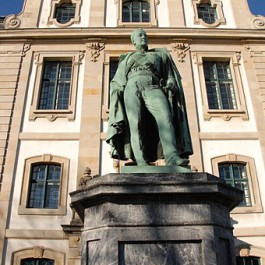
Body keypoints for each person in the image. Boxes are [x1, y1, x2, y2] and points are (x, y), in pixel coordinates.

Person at [107, 28, 193, 166]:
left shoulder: (160, 56)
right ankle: (140, 159)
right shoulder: (126, 58)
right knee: (135, 124)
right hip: (131, 87)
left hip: (153, 86)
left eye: (145, 35)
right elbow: (117, 80)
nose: (143, 37)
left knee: (166, 118)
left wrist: (171, 83)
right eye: (139, 35)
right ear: (133, 41)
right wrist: (116, 94)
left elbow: (170, 76)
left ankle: (171, 156)